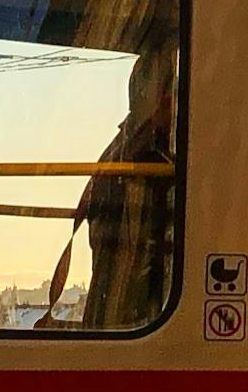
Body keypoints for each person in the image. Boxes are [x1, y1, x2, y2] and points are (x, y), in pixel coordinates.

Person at [66, 43, 178, 328]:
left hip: (110, 327)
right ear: (166, 101)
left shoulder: (118, 152)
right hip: (130, 330)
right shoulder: (149, 164)